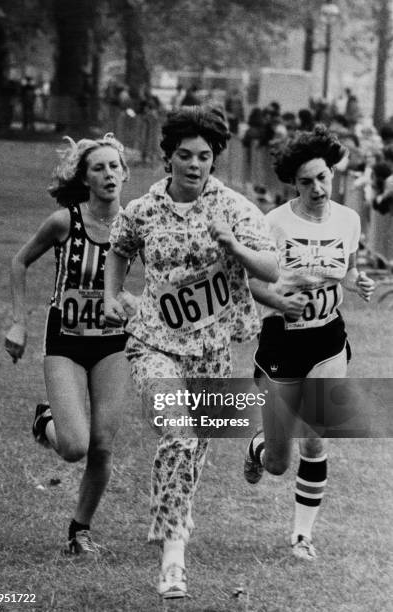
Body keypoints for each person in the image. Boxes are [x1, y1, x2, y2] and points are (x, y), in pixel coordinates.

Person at [103, 105, 279, 598]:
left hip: (211, 352)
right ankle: (173, 558)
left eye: (204, 156)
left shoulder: (236, 209)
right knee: (178, 433)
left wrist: (235, 248)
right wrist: (112, 297)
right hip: (153, 342)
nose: (195, 165)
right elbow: (120, 247)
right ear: (168, 158)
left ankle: (172, 528)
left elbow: (269, 269)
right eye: (185, 155)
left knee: (191, 452)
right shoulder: (143, 209)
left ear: (214, 160)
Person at [243, 125, 375, 560]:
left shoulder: (348, 219)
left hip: (327, 339)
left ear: (332, 173)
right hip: (282, 343)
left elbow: (349, 269)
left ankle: (302, 536)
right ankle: (259, 445)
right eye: (306, 181)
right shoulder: (274, 223)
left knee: (316, 438)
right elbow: (254, 283)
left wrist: (359, 282)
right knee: (278, 463)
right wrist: (283, 292)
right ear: (293, 184)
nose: (317, 188)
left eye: (322, 177)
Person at [5, 133, 134, 555]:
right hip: (66, 340)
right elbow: (20, 261)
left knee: (102, 446)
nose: (108, 174)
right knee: (75, 447)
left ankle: (79, 532)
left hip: (113, 342)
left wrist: (137, 301)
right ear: (86, 178)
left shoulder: (135, 225)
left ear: (124, 173)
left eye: (114, 166)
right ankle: (46, 422)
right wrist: (18, 323)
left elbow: (164, 276)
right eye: (99, 167)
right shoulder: (65, 221)